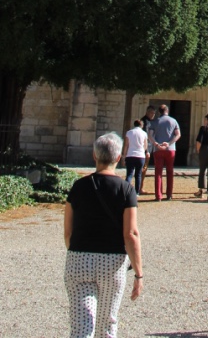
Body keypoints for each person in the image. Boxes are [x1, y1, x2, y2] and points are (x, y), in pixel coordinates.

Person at [64, 132, 143, 338]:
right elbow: (131, 234)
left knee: (82, 326)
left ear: (94, 156)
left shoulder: (78, 187)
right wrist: (138, 273)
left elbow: (68, 232)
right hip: (112, 262)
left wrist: (77, 252)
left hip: (79, 258)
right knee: (107, 324)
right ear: (119, 158)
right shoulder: (126, 190)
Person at [148, 103, 180, 201]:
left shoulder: (154, 122)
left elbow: (150, 135)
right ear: (167, 111)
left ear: (159, 112)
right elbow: (178, 135)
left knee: (158, 172)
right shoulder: (173, 121)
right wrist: (169, 143)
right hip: (170, 149)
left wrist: (156, 144)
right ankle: (169, 195)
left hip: (158, 150)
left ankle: (158, 195)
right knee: (170, 171)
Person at [122, 119, 148, 194]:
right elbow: (145, 146)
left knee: (129, 174)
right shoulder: (144, 133)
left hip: (130, 155)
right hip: (140, 156)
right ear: (141, 125)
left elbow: (126, 145)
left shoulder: (129, 133)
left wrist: (124, 156)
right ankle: (137, 192)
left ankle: (126, 191)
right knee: (138, 175)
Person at [139, 105, 156, 195]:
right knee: (143, 168)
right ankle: (140, 187)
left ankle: (140, 186)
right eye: (152, 113)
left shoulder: (149, 121)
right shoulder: (145, 122)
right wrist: (146, 151)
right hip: (145, 148)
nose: (153, 115)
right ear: (147, 112)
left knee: (144, 168)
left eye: (154, 113)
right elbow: (145, 136)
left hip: (148, 147)